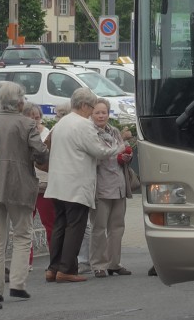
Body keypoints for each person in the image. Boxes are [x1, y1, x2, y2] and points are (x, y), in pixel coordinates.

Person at [44, 87, 127, 283]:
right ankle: (67, 269)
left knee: (60, 226)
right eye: (91, 107)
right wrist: (120, 146)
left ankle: (53, 268)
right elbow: (100, 151)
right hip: (76, 184)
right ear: (83, 105)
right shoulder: (83, 125)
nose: (92, 112)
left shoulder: (61, 123)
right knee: (75, 227)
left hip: (57, 182)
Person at [0, 81, 50, 300]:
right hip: (20, 182)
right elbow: (41, 153)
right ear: (19, 101)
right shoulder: (27, 124)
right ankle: (18, 283)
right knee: (23, 234)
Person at [88, 98, 133, 277]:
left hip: (119, 184)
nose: (101, 116)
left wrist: (126, 156)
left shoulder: (114, 131)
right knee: (99, 227)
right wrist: (117, 151)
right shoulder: (89, 132)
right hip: (100, 185)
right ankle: (98, 264)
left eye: (104, 112)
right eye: (97, 112)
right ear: (91, 114)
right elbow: (95, 157)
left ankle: (114, 263)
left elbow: (122, 151)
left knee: (117, 227)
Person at [29, 102, 58, 256]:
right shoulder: (24, 131)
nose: (35, 120)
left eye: (37, 117)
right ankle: (27, 260)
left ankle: (54, 256)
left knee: (49, 222)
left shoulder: (46, 133)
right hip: (28, 184)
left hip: (44, 184)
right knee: (26, 225)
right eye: (32, 117)